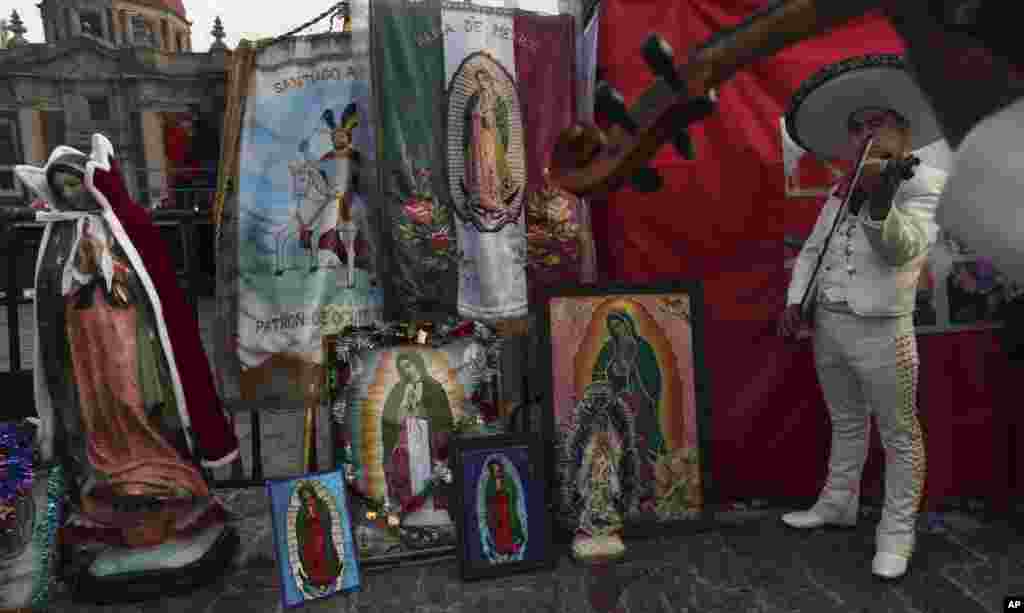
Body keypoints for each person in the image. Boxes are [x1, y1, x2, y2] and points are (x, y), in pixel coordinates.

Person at [777, 55, 946, 580]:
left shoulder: (924, 184)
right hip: (828, 325)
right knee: (847, 422)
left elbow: (903, 251)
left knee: (900, 435)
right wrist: (794, 300)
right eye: (859, 127)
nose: (867, 133)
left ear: (903, 134)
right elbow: (811, 251)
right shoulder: (843, 184)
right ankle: (838, 502)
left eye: (879, 124)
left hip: (881, 331)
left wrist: (880, 204)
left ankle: (896, 534)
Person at [381, 352, 453, 512]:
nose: (407, 370)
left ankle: (428, 503)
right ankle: (407, 504)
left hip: (428, 437)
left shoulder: (433, 387)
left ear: (417, 364)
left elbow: (443, 419)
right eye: (403, 368)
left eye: (409, 365)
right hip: (406, 438)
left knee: (427, 472)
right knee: (401, 467)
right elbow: (392, 419)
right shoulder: (399, 389)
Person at [592, 310, 664, 459]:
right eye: (613, 327)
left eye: (619, 324)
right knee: (622, 438)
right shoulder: (608, 348)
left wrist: (648, 393)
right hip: (617, 400)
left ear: (628, 323)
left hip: (640, 399)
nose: (617, 329)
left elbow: (653, 375)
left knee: (644, 436)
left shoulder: (643, 346)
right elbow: (597, 373)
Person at [464, 68, 511, 212]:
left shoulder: (495, 99)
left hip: (489, 136)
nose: (481, 83)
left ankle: (493, 196)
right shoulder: (477, 97)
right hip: (477, 137)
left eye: (483, 79)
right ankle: (479, 195)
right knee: (479, 164)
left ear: (489, 80)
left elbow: (496, 122)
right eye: (478, 80)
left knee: (490, 164)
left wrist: (486, 117)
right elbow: (470, 115)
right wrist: (476, 116)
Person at [296, 484, 341, 588]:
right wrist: (308, 519)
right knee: (313, 559)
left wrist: (317, 517)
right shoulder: (302, 510)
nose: (308, 500)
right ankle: (316, 578)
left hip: (322, 536)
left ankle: (329, 576)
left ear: (313, 495)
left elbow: (327, 519)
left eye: (310, 497)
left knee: (325, 556)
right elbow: (300, 528)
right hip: (310, 539)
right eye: (305, 498)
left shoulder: (321, 505)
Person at [483, 459, 524, 559]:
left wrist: (506, 492)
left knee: (509, 527)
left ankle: (511, 548)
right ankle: (501, 549)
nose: (496, 470)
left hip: (507, 507)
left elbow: (513, 491)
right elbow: (488, 497)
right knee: (499, 529)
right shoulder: (490, 481)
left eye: (497, 468)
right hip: (496, 509)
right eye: (493, 469)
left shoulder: (507, 478)